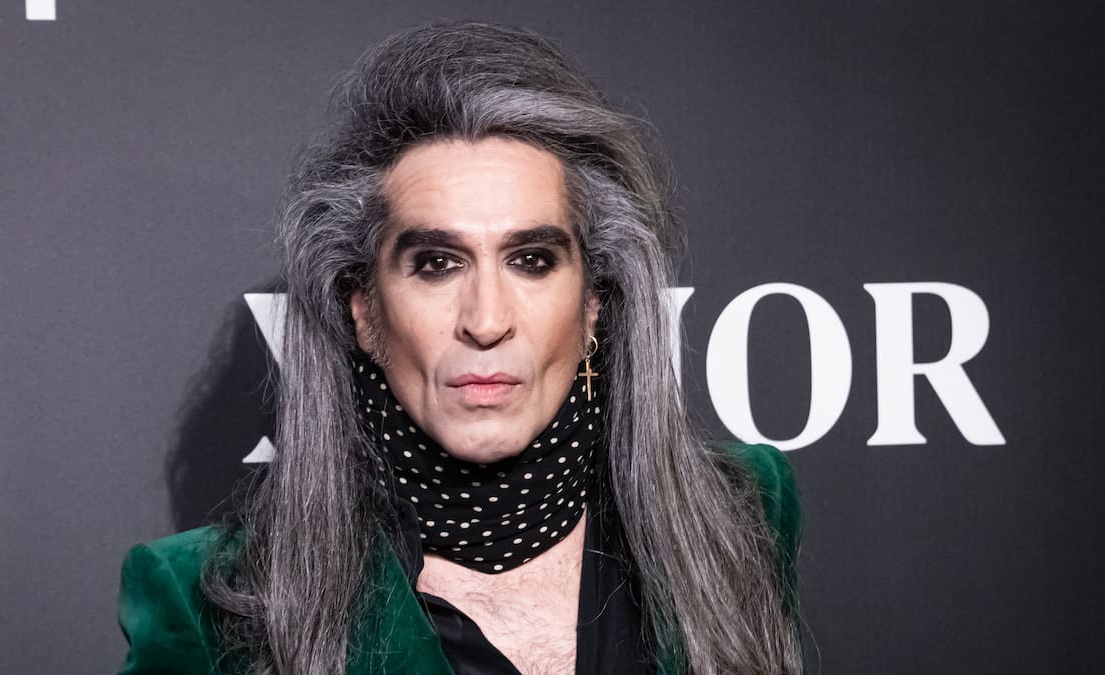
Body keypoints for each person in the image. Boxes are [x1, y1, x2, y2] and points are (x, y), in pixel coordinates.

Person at [116, 20, 803, 675]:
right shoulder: (204, 602)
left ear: (593, 303)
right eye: (437, 264)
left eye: (531, 260)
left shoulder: (741, 513)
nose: (486, 319)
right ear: (364, 310)